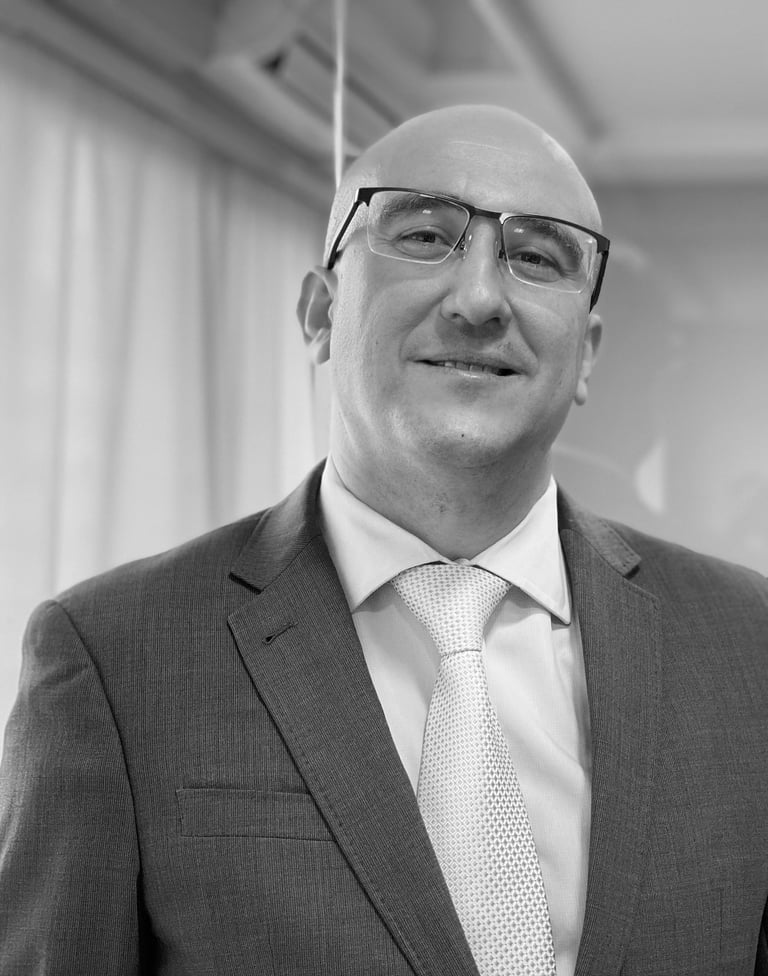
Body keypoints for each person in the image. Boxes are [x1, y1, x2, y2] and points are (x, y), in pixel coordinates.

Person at [1, 104, 766, 976]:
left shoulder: (746, 643)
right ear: (320, 313)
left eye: (536, 258)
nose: (480, 299)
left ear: (586, 354)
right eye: (425, 236)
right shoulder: (113, 656)